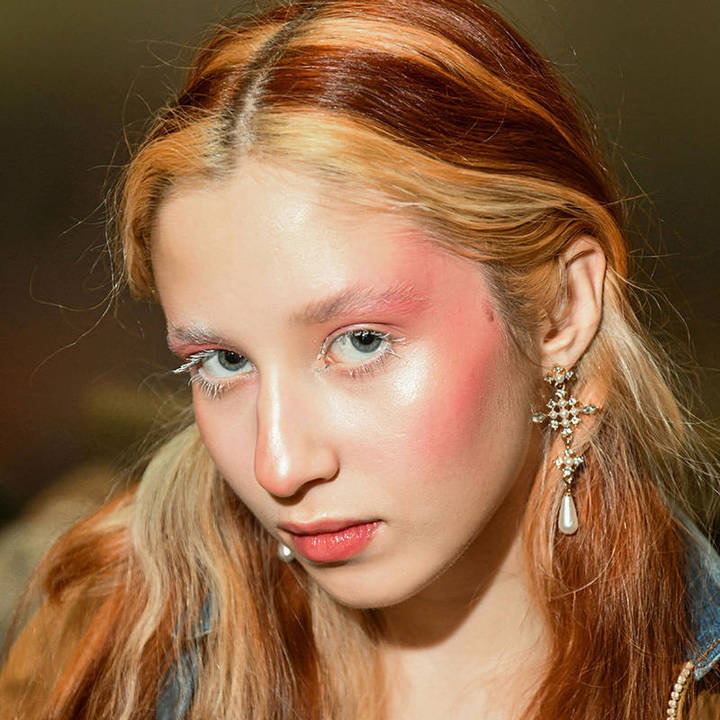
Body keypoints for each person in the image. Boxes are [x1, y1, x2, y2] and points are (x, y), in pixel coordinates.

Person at [2, 0, 720, 718]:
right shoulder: (104, 647)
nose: (279, 467)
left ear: (563, 308)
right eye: (222, 361)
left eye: (360, 341)